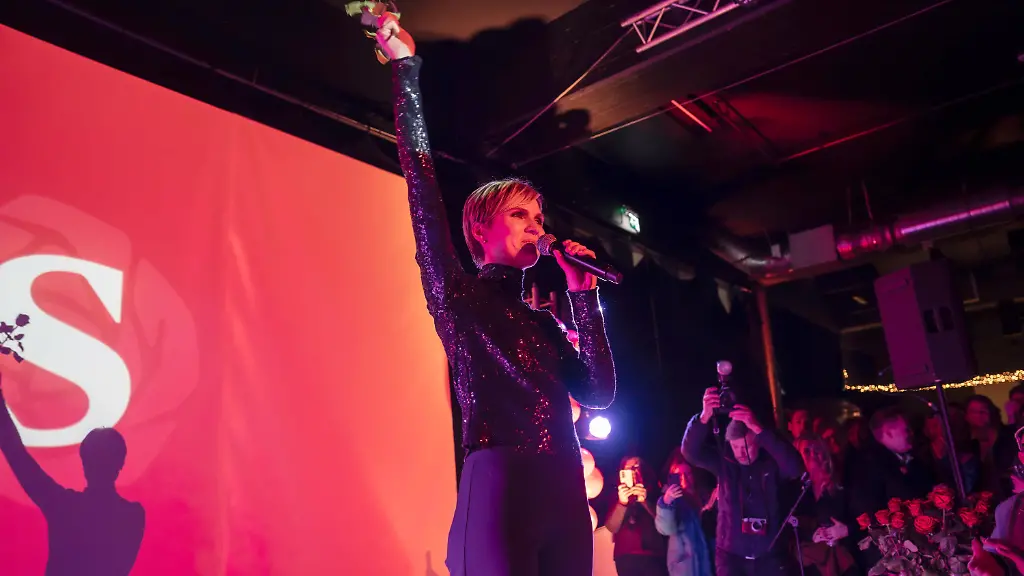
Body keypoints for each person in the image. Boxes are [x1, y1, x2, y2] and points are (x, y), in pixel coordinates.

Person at [373, 16, 617, 576]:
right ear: (480, 229)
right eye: (519, 215)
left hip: (564, 488)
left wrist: (584, 297)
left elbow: (600, 393)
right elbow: (421, 181)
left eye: (538, 217)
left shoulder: (543, 322)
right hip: (502, 483)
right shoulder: (457, 294)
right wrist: (405, 71)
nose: (535, 226)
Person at [0, 375, 145, 576]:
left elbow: (16, 455)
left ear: (84, 463)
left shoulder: (64, 506)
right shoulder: (133, 517)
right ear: (120, 463)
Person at [682, 387, 805, 576]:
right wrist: (704, 417)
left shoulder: (770, 462)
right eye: (736, 447)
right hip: (731, 557)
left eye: (746, 446)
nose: (741, 453)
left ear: (758, 442)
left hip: (769, 555)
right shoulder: (725, 462)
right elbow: (690, 452)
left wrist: (759, 429)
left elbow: (795, 468)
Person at [606, 456, 669, 576]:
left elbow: (665, 523)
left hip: (653, 554)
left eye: (636, 466)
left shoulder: (655, 490)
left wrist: (644, 501)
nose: (632, 471)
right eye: (628, 468)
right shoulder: (617, 494)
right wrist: (622, 503)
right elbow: (612, 527)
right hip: (626, 555)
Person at [656, 452, 713, 576]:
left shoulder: (706, 496)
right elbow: (666, 529)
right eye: (679, 475)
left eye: (688, 474)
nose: (684, 479)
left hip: (710, 564)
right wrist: (666, 503)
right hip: (686, 568)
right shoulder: (673, 502)